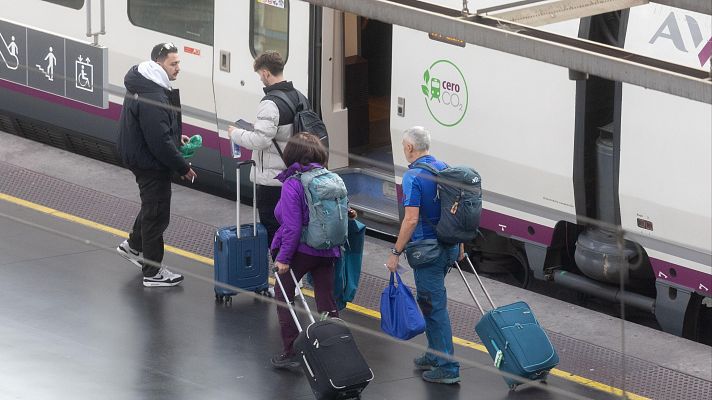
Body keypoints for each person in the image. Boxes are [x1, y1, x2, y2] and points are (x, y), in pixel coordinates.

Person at [385, 126, 462, 384]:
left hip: (427, 251)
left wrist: (396, 251)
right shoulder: (444, 167)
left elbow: (411, 219)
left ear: (409, 148)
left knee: (434, 307)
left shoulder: (413, 177)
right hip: (448, 247)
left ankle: (447, 367)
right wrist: (461, 245)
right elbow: (456, 212)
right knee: (431, 303)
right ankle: (434, 354)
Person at [116, 42, 196, 287]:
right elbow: (158, 140)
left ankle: (133, 246)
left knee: (152, 205)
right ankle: (153, 273)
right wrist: (183, 166)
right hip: (149, 161)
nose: (178, 68)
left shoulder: (146, 82)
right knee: (157, 214)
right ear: (159, 63)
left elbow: (156, 131)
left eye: (178, 62)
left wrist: (174, 137)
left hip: (142, 156)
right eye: (174, 63)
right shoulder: (152, 94)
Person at [270, 132, 341, 369]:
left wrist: (283, 259)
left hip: (302, 251)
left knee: (284, 296)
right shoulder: (330, 177)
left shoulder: (294, 183)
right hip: (329, 250)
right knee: (326, 302)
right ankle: (336, 348)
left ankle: (291, 351)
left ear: (291, 154)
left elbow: (292, 226)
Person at [227, 51, 300, 246]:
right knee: (293, 229)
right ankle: (293, 273)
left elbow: (260, 141)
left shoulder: (270, 103)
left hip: (272, 180)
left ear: (266, 73)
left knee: (274, 231)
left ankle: (282, 271)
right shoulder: (298, 96)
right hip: (294, 175)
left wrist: (235, 133)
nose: (260, 78)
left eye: (260, 74)